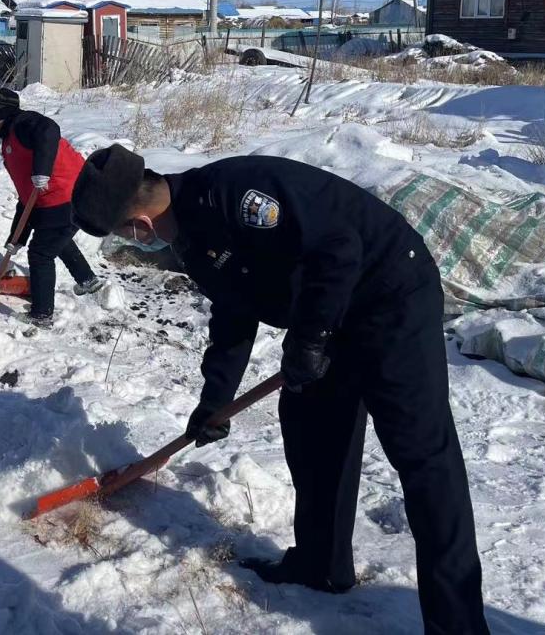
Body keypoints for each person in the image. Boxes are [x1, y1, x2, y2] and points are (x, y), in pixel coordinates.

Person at [71, 145, 489, 635]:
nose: (133, 244)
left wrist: (310, 340)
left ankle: (458, 624)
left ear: (137, 226)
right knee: (312, 432)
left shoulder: (237, 194)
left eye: (124, 235)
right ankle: (321, 566)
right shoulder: (191, 234)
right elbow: (232, 314)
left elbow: (338, 249)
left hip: (390, 292)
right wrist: (215, 401)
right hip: (326, 313)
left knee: (423, 459)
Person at [0, 87, 103, 327]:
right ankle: (87, 280)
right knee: (56, 237)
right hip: (64, 199)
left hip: (69, 196)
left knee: (40, 253)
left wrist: (42, 171)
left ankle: (42, 314)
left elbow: (49, 129)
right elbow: (26, 198)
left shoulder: (23, 124)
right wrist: (16, 237)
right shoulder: (12, 145)